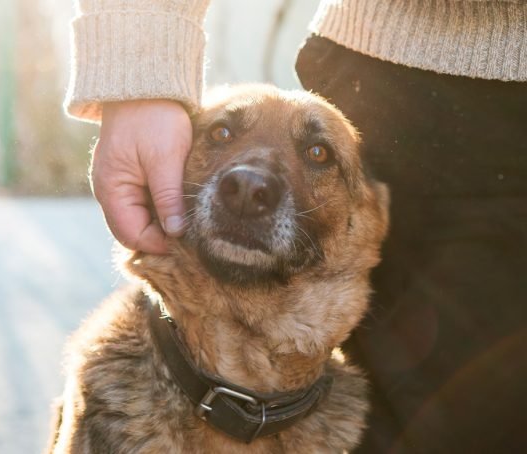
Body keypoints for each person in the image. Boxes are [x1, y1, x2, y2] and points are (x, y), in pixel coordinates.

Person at [65, 1, 527, 452]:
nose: (250, 182)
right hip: (391, 77)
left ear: (370, 215)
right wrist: (140, 76)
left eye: (317, 154)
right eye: (222, 134)